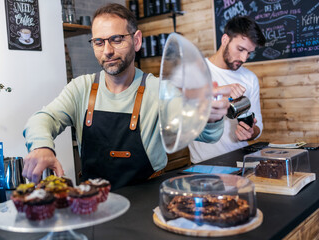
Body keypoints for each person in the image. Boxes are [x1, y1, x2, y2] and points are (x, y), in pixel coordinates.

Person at [22, 3, 230, 189]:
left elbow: (204, 133)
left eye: (116, 39)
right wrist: (42, 146)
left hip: (147, 202)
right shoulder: (81, 88)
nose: (108, 51)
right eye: (99, 42)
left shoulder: (159, 90)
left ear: (137, 40)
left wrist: (211, 116)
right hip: (94, 203)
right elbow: (43, 118)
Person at [189, 16, 266, 164]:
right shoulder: (195, 70)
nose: (244, 58)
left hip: (242, 163)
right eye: (240, 49)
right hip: (204, 166)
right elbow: (182, 111)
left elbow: (258, 126)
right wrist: (219, 92)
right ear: (225, 40)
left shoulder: (250, 78)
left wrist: (251, 132)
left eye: (249, 53)